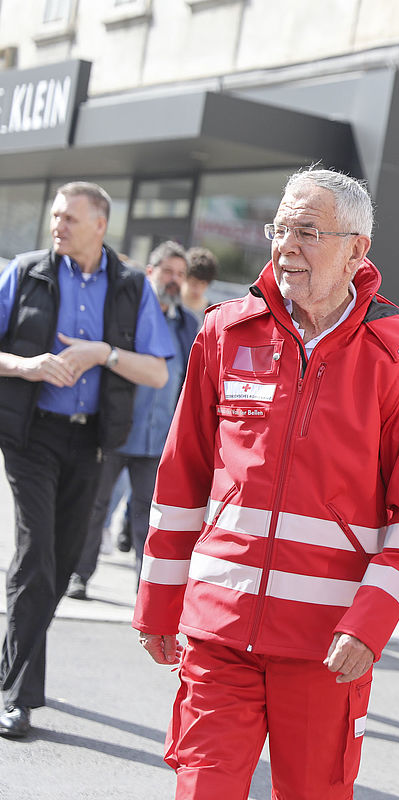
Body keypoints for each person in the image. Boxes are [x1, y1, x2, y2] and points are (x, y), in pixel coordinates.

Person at [132, 167, 399, 799]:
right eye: (280, 228)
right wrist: (159, 599)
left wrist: (371, 621)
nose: (287, 246)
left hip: (326, 643)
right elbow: (182, 474)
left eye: (308, 231)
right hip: (219, 628)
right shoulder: (224, 331)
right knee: (203, 789)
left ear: (357, 250)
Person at [0, 182, 173, 739]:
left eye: (69, 217)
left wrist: (104, 354)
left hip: (92, 442)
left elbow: (158, 372)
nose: (58, 224)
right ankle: (15, 694)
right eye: (54, 215)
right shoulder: (25, 272)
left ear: (101, 224)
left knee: (66, 555)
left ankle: (18, 670)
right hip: (30, 437)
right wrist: (27, 367)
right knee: (37, 554)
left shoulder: (128, 286)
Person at [67, 241, 201, 600]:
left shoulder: (188, 324)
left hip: (159, 440)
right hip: (116, 431)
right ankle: (79, 575)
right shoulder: (130, 313)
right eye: (168, 272)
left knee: (151, 515)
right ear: (150, 273)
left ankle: (147, 588)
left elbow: (192, 378)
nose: (174, 280)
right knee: (96, 507)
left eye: (180, 274)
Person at [181, 246, 218, 316]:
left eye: (203, 284)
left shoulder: (211, 313)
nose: (198, 289)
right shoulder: (169, 304)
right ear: (185, 277)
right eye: (194, 283)